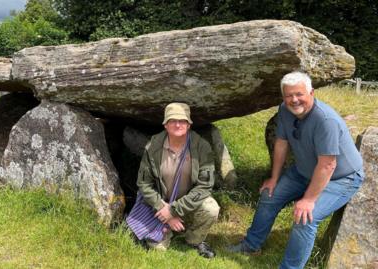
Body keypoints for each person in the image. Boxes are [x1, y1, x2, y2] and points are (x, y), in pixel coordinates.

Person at [227, 71, 364, 268]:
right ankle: (251, 245)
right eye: (289, 95)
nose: (294, 100)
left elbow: (328, 165)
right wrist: (274, 178)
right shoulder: (284, 110)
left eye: (299, 94)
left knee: (305, 218)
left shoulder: (326, 120)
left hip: (340, 178)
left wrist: (308, 200)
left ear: (312, 93)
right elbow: (281, 143)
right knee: (269, 195)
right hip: (304, 171)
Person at [136, 102, 220, 258]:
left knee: (211, 208)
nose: (177, 124)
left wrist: (174, 210)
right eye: (172, 120)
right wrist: (163, 210)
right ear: (165, 125)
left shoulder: (202, 147)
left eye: (182, 121)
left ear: (189, 125)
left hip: (187, 203)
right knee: (157, 250)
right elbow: (144, 184)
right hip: (159, 206)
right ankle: (166, 229)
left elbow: (205, 186)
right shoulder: (153, 146)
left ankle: (194, 239)